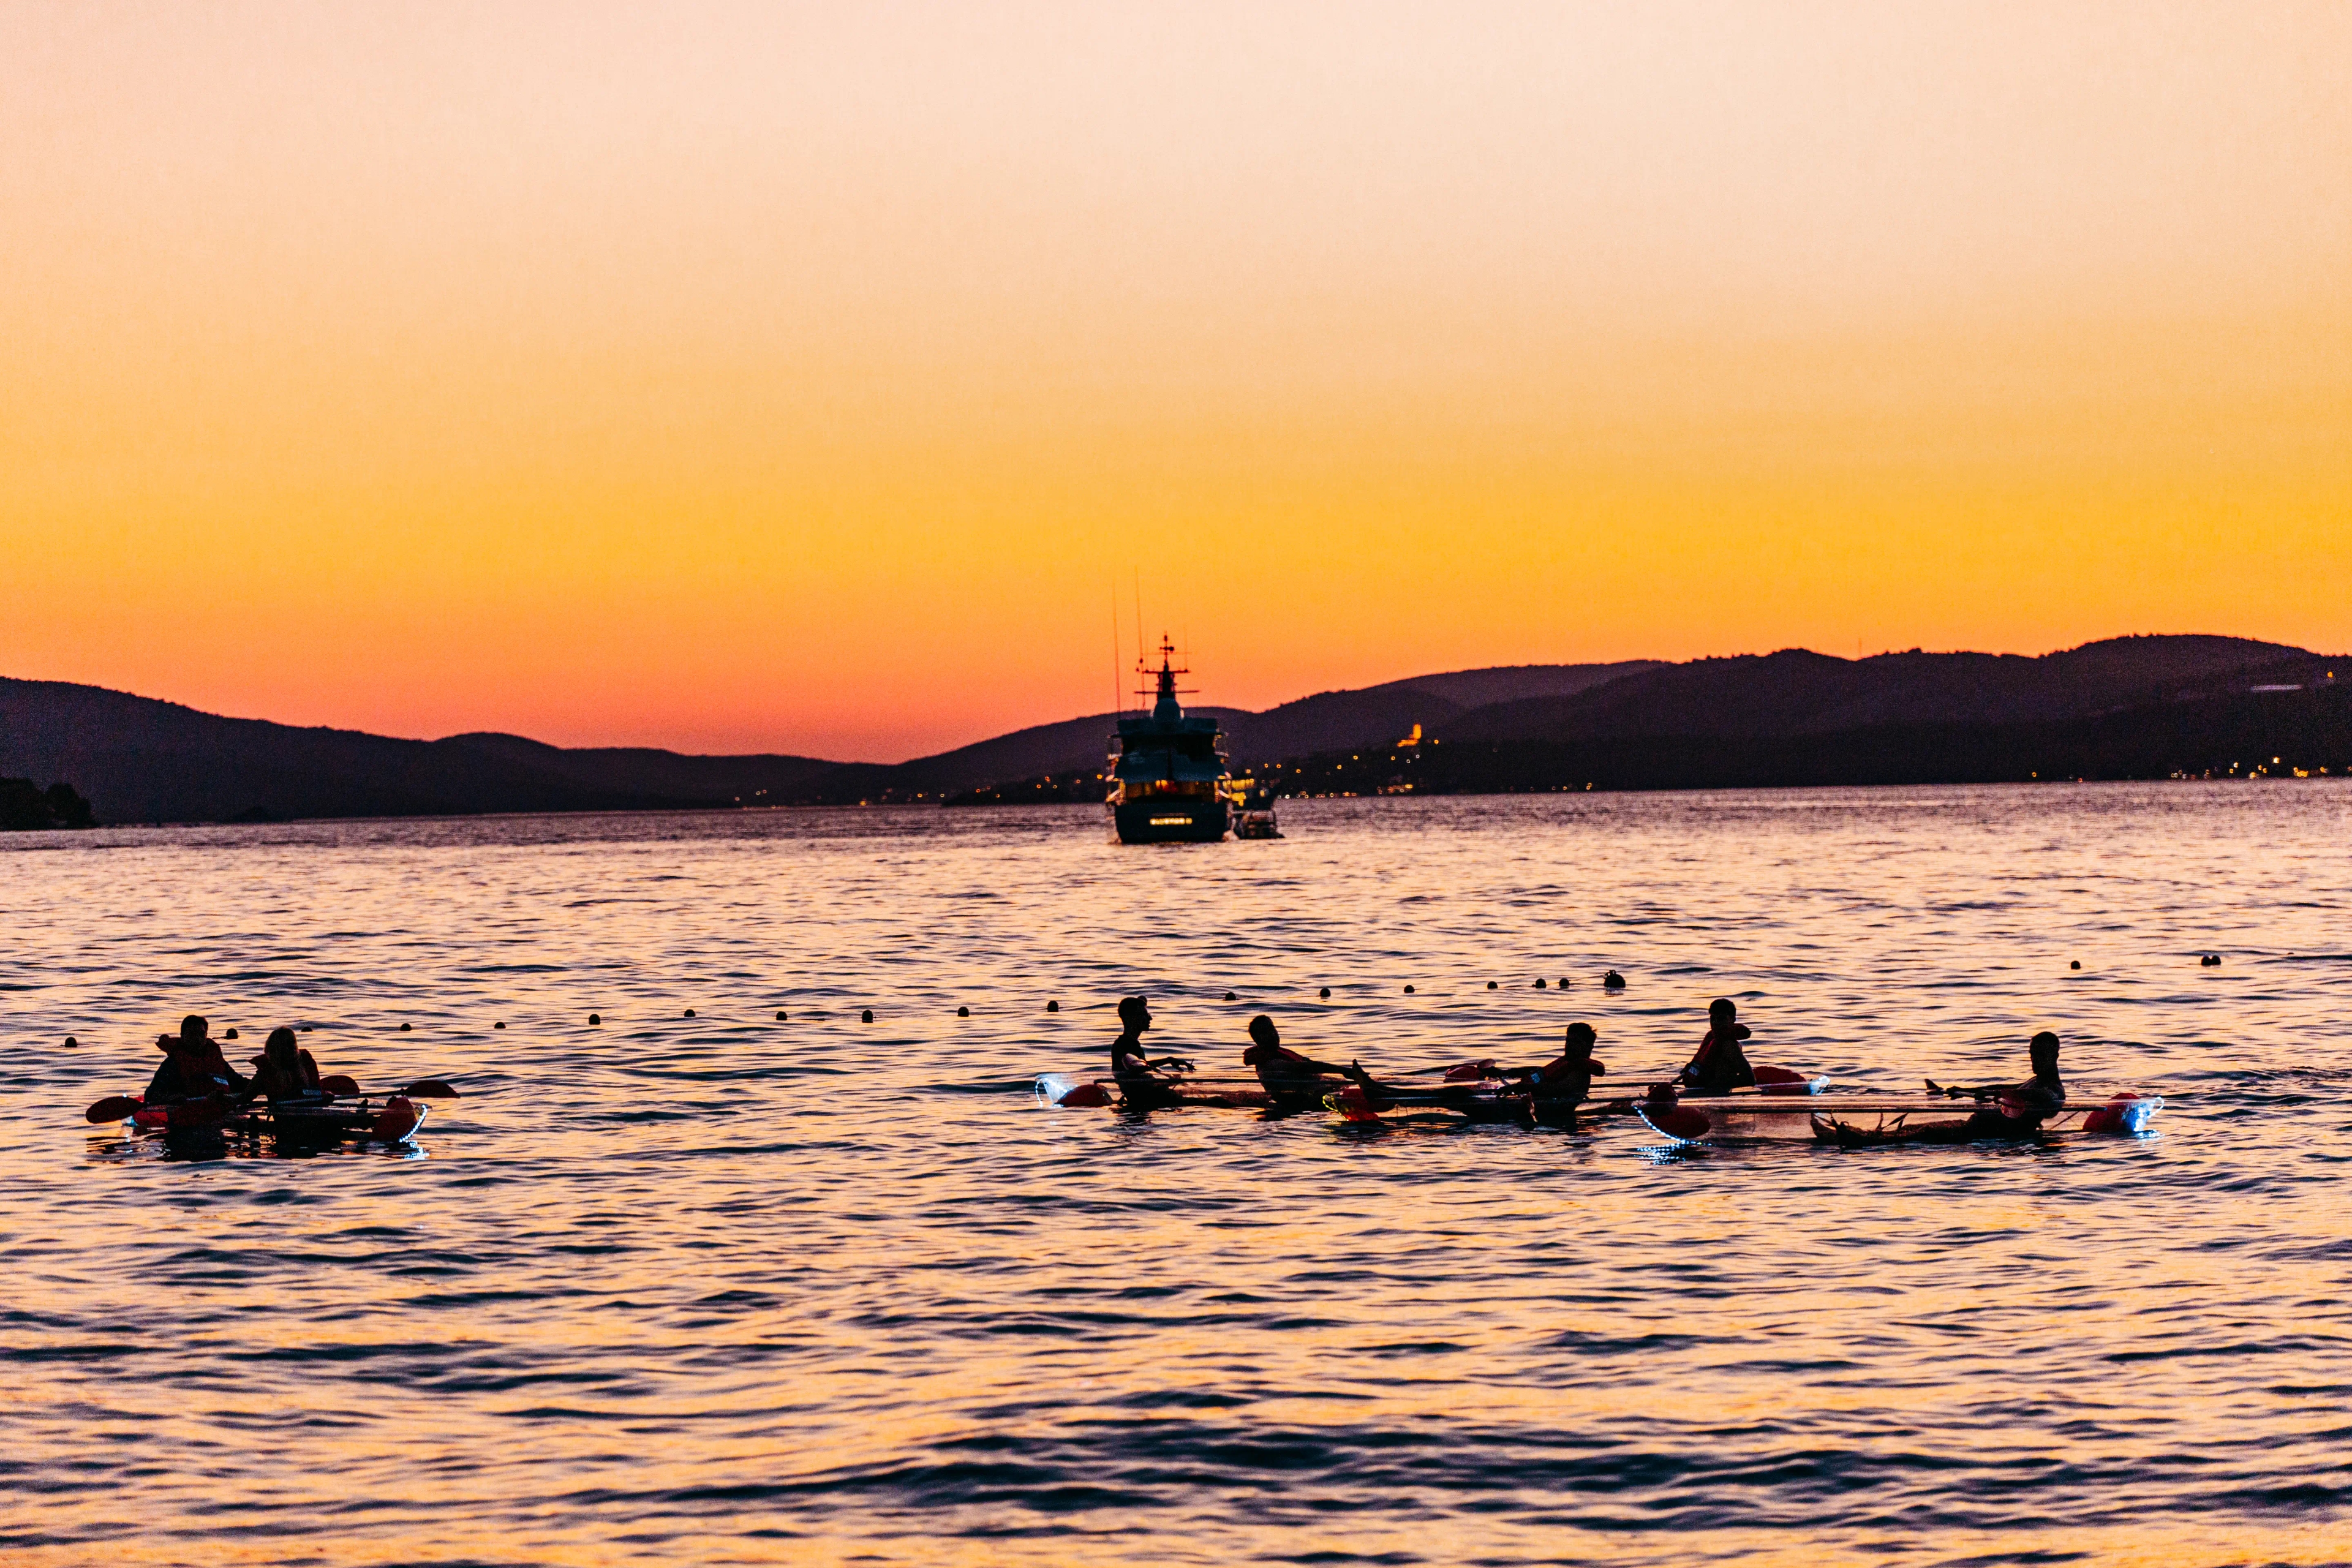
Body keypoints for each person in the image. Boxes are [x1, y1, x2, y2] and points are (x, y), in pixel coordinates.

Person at [1819, 1031, 2068, 1147]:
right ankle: (1859, 1136)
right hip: (1971, 1129)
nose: (2033, 1060)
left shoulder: (2052, 1088)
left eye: (2039, 1055)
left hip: (1980, 1138)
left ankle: (1858, 1141)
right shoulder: (2034, 1080)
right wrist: (1968, 1089)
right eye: (2032, 1054)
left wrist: (2002, 1095)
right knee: (1914, 1130)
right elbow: (2003, 1086)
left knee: (1919, 1137)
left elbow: (2047, 1099)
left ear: (2055, 1055)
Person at [1241, 1015, 1347, 1109]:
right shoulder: (1270, 1063)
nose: (1273, 1034)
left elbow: (1308, 1064)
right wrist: (1342, 1070)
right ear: (1257, 1039)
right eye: (1266, 1032)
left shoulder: (1279, 1054)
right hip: (1299, 1103)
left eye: (1272, 1029)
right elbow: (1306, 1067)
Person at [141, 1015, 249, 1104]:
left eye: (201, 1034)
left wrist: (260, 1082)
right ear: (183, 1037)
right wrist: (170, 1099)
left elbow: (238, 1082)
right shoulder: (172, 1064)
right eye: (192, 1034)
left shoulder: (215, 1059)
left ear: (206, 1036)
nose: (197, 1039)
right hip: (187, 1115)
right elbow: (151, 1095)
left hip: (219, 1110)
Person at [1109, 996, 1193, 1109]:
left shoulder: (1132, 1044)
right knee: (1218, 1101)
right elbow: (1137, 1066)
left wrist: (1169, 1063)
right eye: (1144, 1015)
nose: (1150, 1018)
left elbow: (1141, 1067)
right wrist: (1167, 1066)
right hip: (1146, 1103)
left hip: (1151, 1101)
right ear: (1131, 1018)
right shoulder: (1123, 1046)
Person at [1517, 1022, 1607, 1125]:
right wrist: (1506, 1072)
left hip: (1555, 1117)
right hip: (1543, 1105)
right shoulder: (1565, 1063)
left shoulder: (1580, 1070)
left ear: (1589, 1046)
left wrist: (1522, 1087)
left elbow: (1557, 1089)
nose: (1569, 1045)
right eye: (1568, 1041)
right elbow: (1540, 1073)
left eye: (1576, 1042)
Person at [1677, 998, 1756, 1094]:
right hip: (1699, 1092)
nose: (1715, 1023)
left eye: (1721, 1019)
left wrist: (1716, 1084)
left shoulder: (1729, 1046)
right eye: (1713, 1018)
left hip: (1716, 1097)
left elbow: (1749, 1079)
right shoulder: (1711, 1038)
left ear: (1733, 1019)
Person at [249, 1027, 323, 1101]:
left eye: (293, 1042)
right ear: (277, 1048)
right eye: (287, 1043)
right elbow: (246, 1097)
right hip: (280, 1110)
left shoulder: (306, 1063)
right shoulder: (266, 1070)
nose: (292, 1046)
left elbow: (317, 1090)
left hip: (309, 1108)